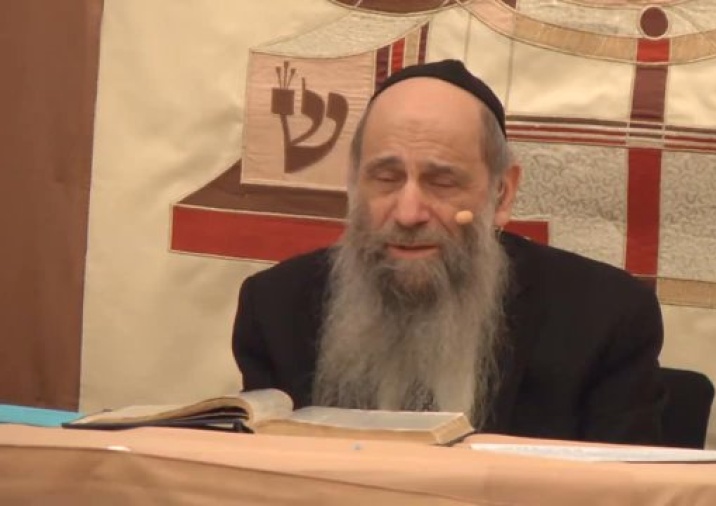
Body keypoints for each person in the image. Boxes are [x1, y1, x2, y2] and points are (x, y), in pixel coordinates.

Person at [232, 59, 665, 444]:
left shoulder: (606, 318)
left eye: (442, 182)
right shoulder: (275, 308)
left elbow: (623, 491)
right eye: (385, 178)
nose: (408, 213)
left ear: (502, 193)